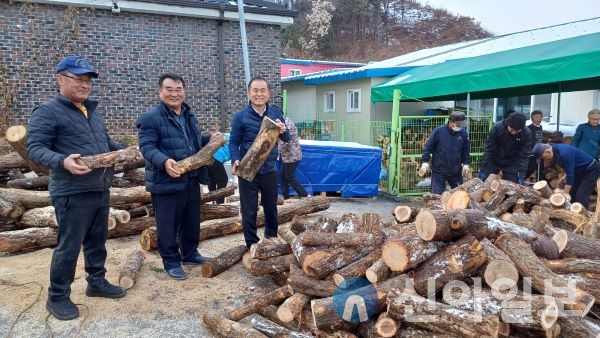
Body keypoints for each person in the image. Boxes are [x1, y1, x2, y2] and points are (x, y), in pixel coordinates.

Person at [27, 55, 126, 321]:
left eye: (88, 81)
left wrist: (124, 152)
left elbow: (105, 143)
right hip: (71, 191)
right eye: (78, 79)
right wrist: (62, 161)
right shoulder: (47, 112)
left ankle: (96, 282)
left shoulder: (91, 112)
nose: (85, 85)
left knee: (97, 241)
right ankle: (57, 296)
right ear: (60, 78)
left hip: (99, 186)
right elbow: (34, 148)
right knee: (69, 245)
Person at [137, 73, 222, 280]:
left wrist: (208, 139)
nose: (174, 94)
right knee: (168, 225)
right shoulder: (151, 118)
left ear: (184, 91)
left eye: (178, 89)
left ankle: (190, 253)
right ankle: (171, 261)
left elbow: (192, 142)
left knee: (191, 220)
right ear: (160, 92)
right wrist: (164, 161)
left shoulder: (189, 115)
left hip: (191, 178)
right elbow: (147, 147)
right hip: (166, 181)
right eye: (169, 89)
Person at [229, 76, 290, 249]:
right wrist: (235, 159)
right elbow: (233, 142)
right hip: (248, 170)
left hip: (269, 169)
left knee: (271, 208)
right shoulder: (240, 117)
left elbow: (287, 138)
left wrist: (283, 130)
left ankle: (271, 239)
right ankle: (252, 244)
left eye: (263, 90)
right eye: (255, 90)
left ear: (269, 94)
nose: (259, 94)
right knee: (249, 210)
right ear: (249, 93)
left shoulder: (276, 114)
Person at [418, 111, 471, 194]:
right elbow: (428, 146)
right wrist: (425, 162)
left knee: (459, 194)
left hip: (456, 170)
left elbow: (466, 150)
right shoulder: (439, 131)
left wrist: (466, 163)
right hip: (439, 170)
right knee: (437, 196)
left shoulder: (463, 134)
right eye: (458, 125)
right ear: (451, 122)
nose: (460, 127)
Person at [533, 143, 600, 208]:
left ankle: (584, 217)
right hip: (579, 171)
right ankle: (571, 214)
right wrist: (566, 175)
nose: (545, 159)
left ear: (547, 152)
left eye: (544, 157)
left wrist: (565, 195)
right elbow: (568, 166)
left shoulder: (564, 152)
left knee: (581, 196)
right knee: (572, 193)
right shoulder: (555, 151)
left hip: (591, 170)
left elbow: (570, 174)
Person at [478, 112, 532, 184]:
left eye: (517, 130)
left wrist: (522, 175)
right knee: (483, 183)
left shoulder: (526, 133)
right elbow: (489, 149)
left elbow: (524, 155)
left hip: (512, 162)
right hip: (494, 159)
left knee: (511, 188)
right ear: (508, 123)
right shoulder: (497, 128)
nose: (514, 132)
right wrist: (483, 168)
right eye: (512, 129)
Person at [278, 116, 309, 199]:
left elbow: (285, 139)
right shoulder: (284, 120)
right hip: (288, 155)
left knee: (289, 176)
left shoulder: (286, 123)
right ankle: (286, 196)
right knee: (282, 175)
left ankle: (305, 195)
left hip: (292, 154)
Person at [207, 133, 230, 204]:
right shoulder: (237, 138)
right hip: (216, 157)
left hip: (209, 155)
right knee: (223, 179)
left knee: (212, 179)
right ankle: (219, 203)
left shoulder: (230, 135)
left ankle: (213, 200)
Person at [526, 110, 545, 180]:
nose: (539, 119)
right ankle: (519, 180)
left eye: (540, 117)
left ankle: (540, 184)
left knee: (541, 168)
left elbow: (540, 139)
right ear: (532, 118)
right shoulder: (528, 128)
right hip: (532, 152)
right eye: (536, 117)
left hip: (541, 151)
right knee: (531, 168)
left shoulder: (540, 127)